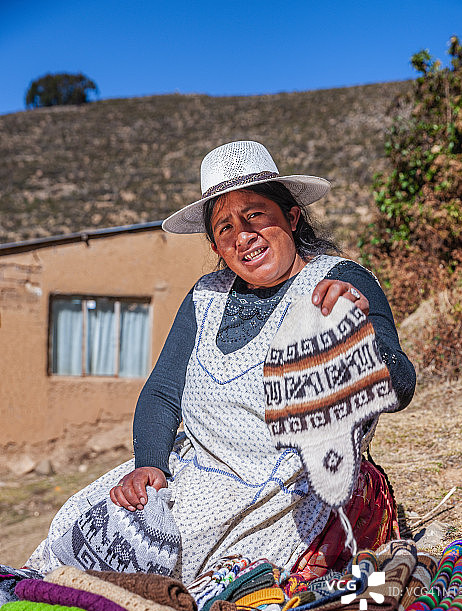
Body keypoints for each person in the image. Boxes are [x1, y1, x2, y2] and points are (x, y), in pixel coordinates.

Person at [27, 141, 416, 588]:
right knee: (83, 530)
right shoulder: (206, 297)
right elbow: (162, 391)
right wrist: (149, 464)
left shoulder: (338, 282)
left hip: (279, 497)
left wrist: (361, 339)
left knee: (153, 576)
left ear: (291, 217)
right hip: (191, 470)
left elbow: (399, 386)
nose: (243, 236)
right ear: (214, 242)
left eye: (255, 215)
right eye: (225, 227)